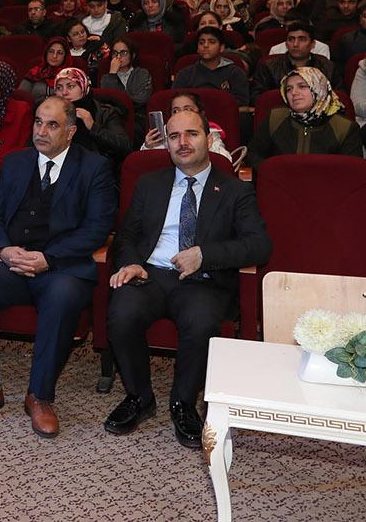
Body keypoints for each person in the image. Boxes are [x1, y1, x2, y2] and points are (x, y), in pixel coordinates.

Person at [103, 109, 271, 446]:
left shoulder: (235, 190)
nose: (182, 142)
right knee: (122, 311)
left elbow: (259, 245)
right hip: (151, 274)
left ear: (208, 140)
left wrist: (204, 254)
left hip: (202, 280)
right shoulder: (150, 184)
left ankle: (183, 403)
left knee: (201, 320)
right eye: (174, 136)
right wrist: (132, 263)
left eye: (191, 134)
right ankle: (139, 396)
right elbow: (126, 235)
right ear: (166, 143)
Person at [0, 96, 116, 438]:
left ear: (71, 132)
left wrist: (49, 258)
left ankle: (40, 396)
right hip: (12, 261)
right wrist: (3, 250)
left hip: (62, 267)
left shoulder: (94, 167)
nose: (41, 131)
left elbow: (97, 229)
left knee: (61, 297)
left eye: (52, 125)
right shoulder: (16, 162)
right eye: (38, 123)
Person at [246, 68, 364, 166]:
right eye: (289, 89)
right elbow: (253, 153)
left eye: (302, 86)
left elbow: (351, 170)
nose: (294, 93)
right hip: (280, 183)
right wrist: (273, 173)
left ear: (319, 89)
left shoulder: (344, 127)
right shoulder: (275, 118)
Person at [54, 67, 132, 163]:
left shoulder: (104, 112)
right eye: (59, 88)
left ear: (84, 87)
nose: (64, 93)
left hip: (95, 166)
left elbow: (125, 146)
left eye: (70, 86)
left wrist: (93, 127)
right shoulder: (49, 112)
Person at [251, 21, 334, 99]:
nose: (295, 44)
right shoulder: (268, 67)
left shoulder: (327, 67)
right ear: (286, 44)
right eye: (291, 39)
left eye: (302, 39)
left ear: (312, 44)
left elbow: (336, 97)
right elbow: (257, 98)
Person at [143, 91, 234, 160]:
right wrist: (148, 147)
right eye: (175, 111)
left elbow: (225, 161)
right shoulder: (163, 132)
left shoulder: (209, 131)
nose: (181, 114)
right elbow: (146, 165)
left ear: (201, 114)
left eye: (188, 109)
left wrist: (204, 146)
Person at [173, 26, 249, 105]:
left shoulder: (235, 73)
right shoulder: (185, 74)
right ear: (197, 49)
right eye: (201, 43)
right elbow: (177, 102)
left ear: (221, 47)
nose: (205, 45)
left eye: (211, 42)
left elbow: (241, 104)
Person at [99, 38, 152, 110]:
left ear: (132, 55)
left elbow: (141, 100)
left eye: (123, 53)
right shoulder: (106, 78)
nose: (118, 57)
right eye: (115, 53)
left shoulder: (142, 74)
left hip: (136, 114)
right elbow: (106, 102)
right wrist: (112, 75)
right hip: (113, 115)